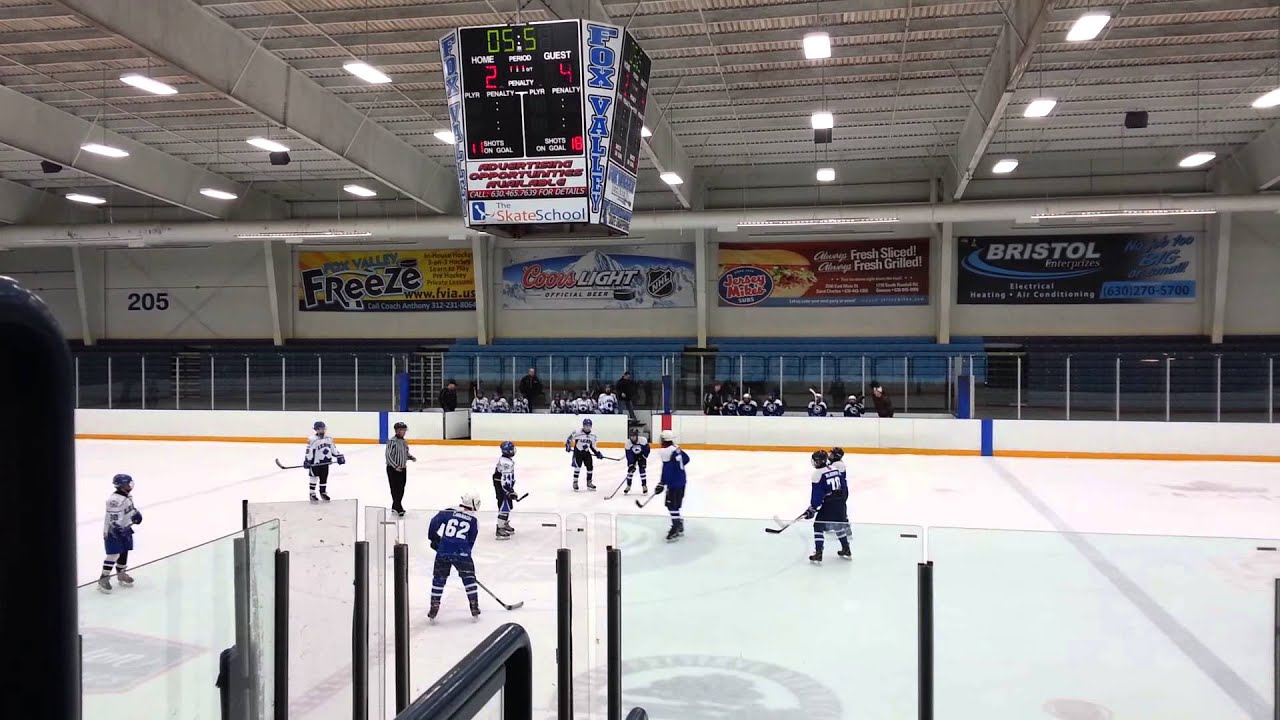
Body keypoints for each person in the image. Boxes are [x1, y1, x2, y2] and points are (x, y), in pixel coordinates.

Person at [427, 491, 483, 621]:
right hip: (462, 552)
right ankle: (474, 605)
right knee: (469, 578)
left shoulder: (449, 512)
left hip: (444, 550)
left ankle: (434, 606)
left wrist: (434, 540)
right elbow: (471, 541)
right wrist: (465, 554)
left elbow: (434, 522)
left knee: (439, 578)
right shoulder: (474, 521)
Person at [803, 450, 851, 563]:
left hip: (829, 503)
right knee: (838, 525)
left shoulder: (817, 474)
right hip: (840, 502)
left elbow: (817, 494)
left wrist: (813, 508)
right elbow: (843, 485)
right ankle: (846, 549)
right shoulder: (834, 468)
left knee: (818, 526)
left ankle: (818, 553)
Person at [98, 473, 141, 593]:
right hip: (113, 532)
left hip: (125, 528)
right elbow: (113, 521)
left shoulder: (127, 496)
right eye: (128, 483)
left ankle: (121, 574)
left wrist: (136, 514)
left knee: (124, 551)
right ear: (122, 485)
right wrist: (118, 531)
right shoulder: (114, 501)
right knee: (114, 554)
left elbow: (130, 509)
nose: (131, 485)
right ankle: (103, 578)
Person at [654, 430, 690, 541]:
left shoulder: (664, 452)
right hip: (682, 481)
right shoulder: (676, 448)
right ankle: (678, 522)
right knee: (675, 505)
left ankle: (676, 526)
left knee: (671, 506)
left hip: (674, 484)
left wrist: (662, 483)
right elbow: (687, 459)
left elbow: (667, 469)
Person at [304, 420, 344, 502]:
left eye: (323, 428)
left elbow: (333, 448)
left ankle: (323, 492)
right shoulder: (312, 439)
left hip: (325, 462)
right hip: (315, 462)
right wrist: (307, 460)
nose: (323, 430)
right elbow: (309, 451)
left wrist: (338, 455)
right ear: (316, 429)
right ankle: (312, 493)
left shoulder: (329, 438)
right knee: (313, 477)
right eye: (320, 429)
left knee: (324, 477)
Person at [385, 421, 416, 517]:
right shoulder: (392, 441)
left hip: (403, 468)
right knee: (395, 489)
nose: (404, 432)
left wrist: (410, 457)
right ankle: (398, 507)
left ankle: (395, 506)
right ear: (397, 431)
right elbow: (388, 456)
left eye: (404, 430)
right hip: (393, 469)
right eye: (402, 430)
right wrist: (395, 466)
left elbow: (405, 453)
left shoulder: (404, 442)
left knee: (401, 489)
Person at [565, 417, 602, 491]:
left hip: (586, 452)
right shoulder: (577, 432)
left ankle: (589, 482)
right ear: (583, 426)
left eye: (589, 426)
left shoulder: (593, 435)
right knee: (577, 467)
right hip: (577, 452)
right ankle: (575, 482)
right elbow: (569, 439)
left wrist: (597, 453)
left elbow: (593, 446)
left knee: (590, 467)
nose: (587, 427)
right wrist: (568, 446)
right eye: (586, 426)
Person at [491, 441, 518, 539]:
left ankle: (504, 523)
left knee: (507, 505)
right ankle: (500, 528)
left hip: (503, 486)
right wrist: (509, 490)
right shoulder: (506, 463)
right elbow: (505, 479)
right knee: (504, 506)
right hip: (502, 487)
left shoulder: (506, 460)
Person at [624, 425, 650, 494]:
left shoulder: (643, 440)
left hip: (641, 455)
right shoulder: (627, 443)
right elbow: (629, 455)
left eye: (634, 436)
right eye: (631, 436)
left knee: (642, 470)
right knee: (630, 471)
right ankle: (628, 486)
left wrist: (643, 456)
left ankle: (644, 486)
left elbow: (647, 450)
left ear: (637, 436)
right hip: (633, 456)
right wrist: (631, 464)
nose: (632, 437)